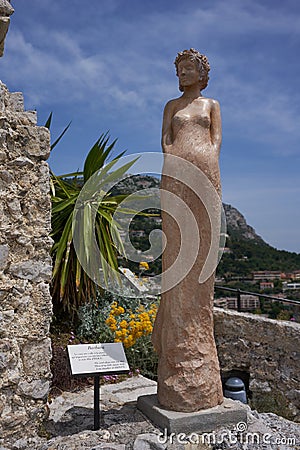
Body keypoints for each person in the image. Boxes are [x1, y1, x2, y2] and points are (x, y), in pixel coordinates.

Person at [152, 49, 224, 412]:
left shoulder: (211, 104)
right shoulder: (170, 105)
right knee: (178, 249)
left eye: (189, 68)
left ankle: (200, 361)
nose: (183, 73)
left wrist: (205, 163)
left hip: (205, 172)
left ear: (202, 73)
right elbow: (165, 139)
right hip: (176, 173)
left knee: (203, 252)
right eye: (179, 69)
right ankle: (176, 351)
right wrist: (174, 161)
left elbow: (215, 141)